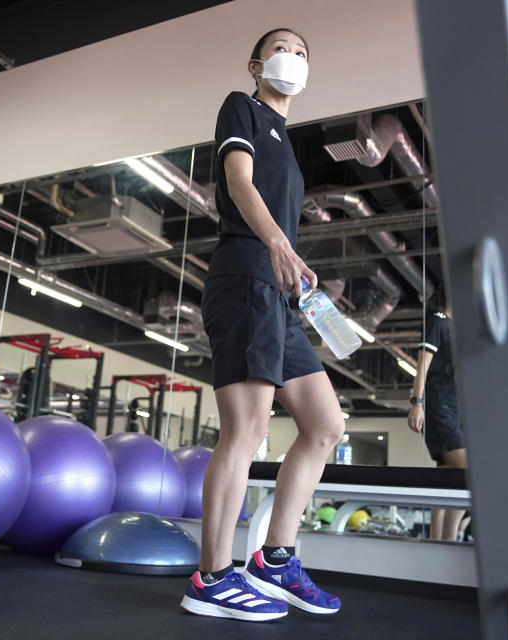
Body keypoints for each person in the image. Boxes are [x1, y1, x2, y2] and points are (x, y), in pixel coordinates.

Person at [179, 28, 345, 622]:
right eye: (283, 48)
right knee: (247, 433)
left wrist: (296, 268)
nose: (293, 58)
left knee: (326, 424)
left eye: (304, 52)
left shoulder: (289, 144)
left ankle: (275, 558)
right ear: (256, 63)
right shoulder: (241, 107)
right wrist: (277, 243)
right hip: (245, 276)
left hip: (279, 293)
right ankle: (212, 576)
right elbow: (238, 184)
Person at [407, 294, 467, 541]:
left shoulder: (458, 329)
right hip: (439, 406)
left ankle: (438, 543)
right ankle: (449, 541)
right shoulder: (438, 321)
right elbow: (423, 363)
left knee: (447, 478)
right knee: (468, 474)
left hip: (456, 407)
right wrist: (417, 402)